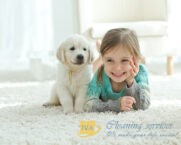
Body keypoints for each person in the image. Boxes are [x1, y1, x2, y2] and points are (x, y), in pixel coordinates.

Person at [84, 28, 151, 112]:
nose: (117, 68)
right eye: (109, 60)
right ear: (103, 59)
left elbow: (143, 105)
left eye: (124, 60)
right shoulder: (100, 74)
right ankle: (100, 52)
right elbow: (88, 104)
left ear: (136, 59)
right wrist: (116, 105)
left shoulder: (141, 72)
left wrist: (130, 81)